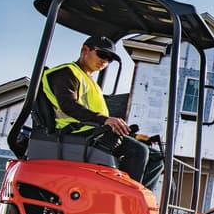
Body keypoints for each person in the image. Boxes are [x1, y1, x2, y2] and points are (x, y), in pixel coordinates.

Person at [41, 35, 162, 189]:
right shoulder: (66, 73)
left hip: (94, 132)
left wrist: (134, 136)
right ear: (85, 50)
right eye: (102, 54)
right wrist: (105, 120)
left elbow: (101, 119)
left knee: (156, 158)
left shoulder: (91, 83)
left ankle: (142, 201)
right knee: (137, 151)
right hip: (73, 133)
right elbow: (68, 105)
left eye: (110, 59)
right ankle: (125, 198)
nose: (105, 61)